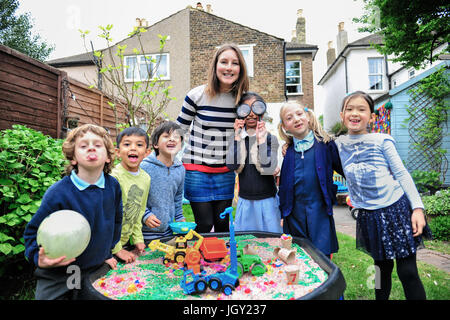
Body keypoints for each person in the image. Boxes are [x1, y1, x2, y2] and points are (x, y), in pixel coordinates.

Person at [336, 91, 430, 300]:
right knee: (380, 270)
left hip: (396, 210)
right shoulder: (337, 145)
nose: (355, 114)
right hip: (369, 216)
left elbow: (402, 174)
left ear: (372, 116)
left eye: (361, 109)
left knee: (408, 272)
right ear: (342, 115)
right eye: (349, 109)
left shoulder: (382, 140)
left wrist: (417, 208)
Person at [23, 124, 123, 300]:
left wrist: (106, 253)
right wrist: (38, 258)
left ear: (108, 156)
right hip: (59, 271)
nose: (91, 147)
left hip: (94, 268)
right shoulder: (59, 193)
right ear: (73, 158)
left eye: (98, 145)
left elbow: (115, 220)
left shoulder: (113, 186)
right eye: (83, 146)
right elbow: (32, 232)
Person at [176, 43, 249, 233]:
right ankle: (198, 261)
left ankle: (221, 262)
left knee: (223, 224)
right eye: (224, 62)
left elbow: (252, 130)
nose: (228, 67)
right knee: (205, 224)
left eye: (234, 63)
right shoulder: (196, 95)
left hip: (225, 170)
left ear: (240, 69)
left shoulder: (242, 100)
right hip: (196, 169)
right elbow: (179, 130)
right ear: (215, 66)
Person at [278, 101, 344, 257]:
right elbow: (284, 185)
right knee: (298, 256)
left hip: (319, 211)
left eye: (299, 114)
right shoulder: (288, 151)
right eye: (289, 118)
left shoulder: (326, 145)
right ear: (285, 127)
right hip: (294, 215)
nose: (296, 119)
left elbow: (344, 169)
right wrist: (282, 214)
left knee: (322, 256)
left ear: (308, 116)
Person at [226, 92, 282, 233]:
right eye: (246, 109)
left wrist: (261, 141)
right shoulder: (236, 138)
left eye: (255, 108)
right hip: (245, 201)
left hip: (267, 201)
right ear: (240, 114)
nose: (251, 114)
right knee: (245, 242)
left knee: (271, 241)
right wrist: (237, 137)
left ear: (262, 113)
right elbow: (231, 165)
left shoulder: (270, 139)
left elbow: (268, 167)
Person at [110, 127, 151, 264]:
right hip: (106, 245)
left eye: (139, 145)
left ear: (146, 153)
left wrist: (138, 238)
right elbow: (107, 218)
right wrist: (116, 249)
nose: (133, 148)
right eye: (127, 144)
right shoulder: (113, 177)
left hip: (124, 242)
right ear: (117, 152)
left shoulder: (146, 178)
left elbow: (140, 210)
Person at [140, 121, 186, 242]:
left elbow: (177, 196)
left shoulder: (180, 169)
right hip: (146, 230)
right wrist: (145, 215)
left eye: (176, 137)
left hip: (169, 230)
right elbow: (136, 197)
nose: (172, 140)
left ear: (180, 145)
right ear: (155, 144)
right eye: (166, 136)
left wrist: (179, 216)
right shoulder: (144, 167)